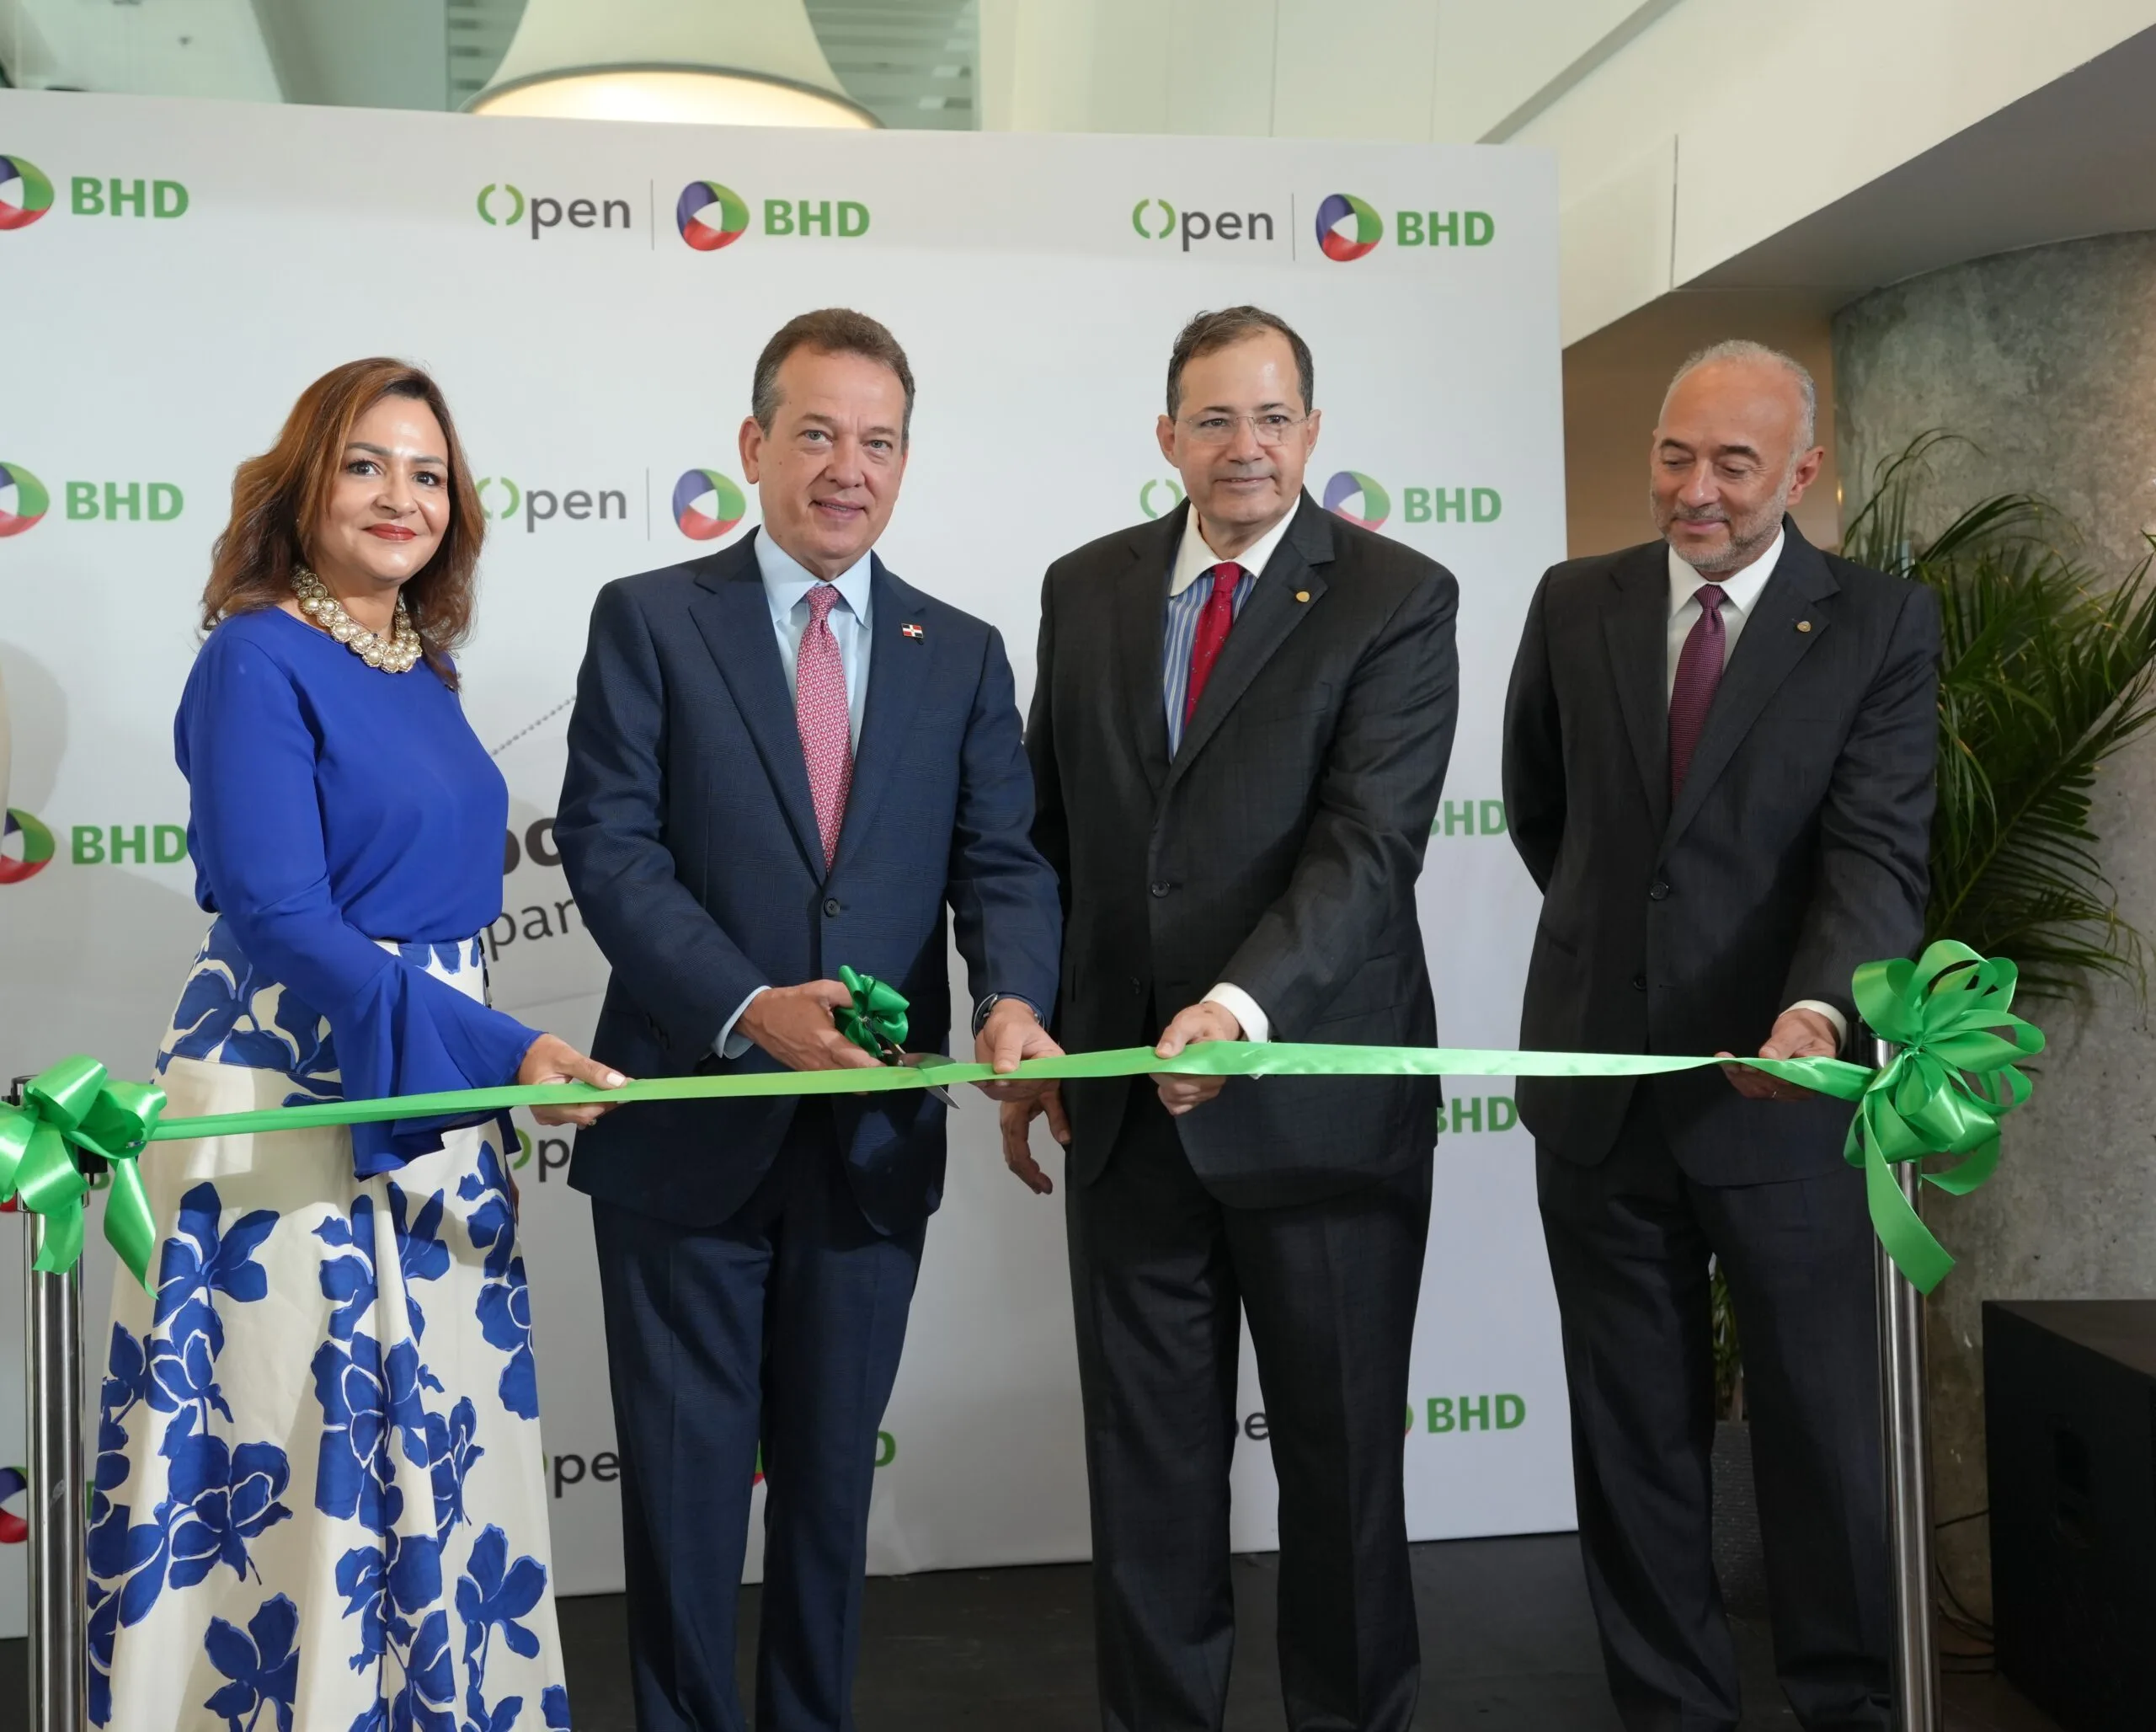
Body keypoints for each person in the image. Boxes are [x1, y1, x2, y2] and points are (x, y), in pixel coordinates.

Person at [90, 358, 622, 1732]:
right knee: (299, 1460)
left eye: (428, 473)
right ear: (305, 484)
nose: (402, 497)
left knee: (437, 1454)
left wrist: (484, 1061)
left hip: (430, 1093)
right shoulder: (254, 657)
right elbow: (280, 917)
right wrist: (505, 1052)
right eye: (367, 465)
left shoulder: (421, 668)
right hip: (292, 1099)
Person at [556, 307, 1064, 1732]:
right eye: (820, 434)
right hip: (686, 1137)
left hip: (870, 1147)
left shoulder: (961, 652)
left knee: (832, 1503)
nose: (850, 468)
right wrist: (746, 1007)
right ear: (754, 442)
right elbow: (610, 847)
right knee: (683, 1504)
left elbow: (1003, 863)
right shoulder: (651, 618)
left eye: (880, 442)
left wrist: (1015, 999)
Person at [1006, 305, 1459, 1732]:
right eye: (1214, 419)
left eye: (1272, 419)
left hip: (1319, 1114)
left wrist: (1236, 1006)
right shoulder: (1085, 588)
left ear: (1312, 434)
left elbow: (1368, 849)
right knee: (1146, 1486)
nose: (1245, 447)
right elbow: (1047, 833)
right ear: (1168, 436)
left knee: (1342, 1476)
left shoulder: (1398, 596)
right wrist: (1034, 1022)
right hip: (1128, 1118)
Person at [1502, 340, 1940, 1731]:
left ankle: (1843, 1703)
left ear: (1801, 473)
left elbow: (1877, 853)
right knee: (1632, 1443)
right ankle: (1671, 1710)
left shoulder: (1877, 622)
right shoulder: (1574, 601)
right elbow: (1543, 814)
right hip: (1602, 1093)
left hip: (1782, 1098)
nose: (1696, 489)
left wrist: (1815, 1007)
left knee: (1819, 1434)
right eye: (1674, 455)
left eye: (1733, 465)